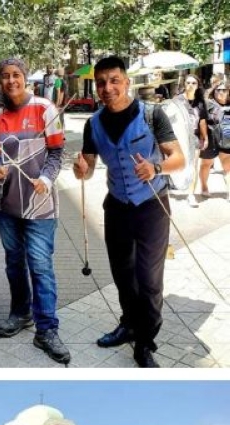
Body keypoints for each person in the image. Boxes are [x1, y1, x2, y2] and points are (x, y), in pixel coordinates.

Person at [73, 56, 185, 368]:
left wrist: (156, 167)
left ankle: (145, 341)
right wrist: (79, 168)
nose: (107, 88)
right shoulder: (92, 123)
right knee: (123, 276)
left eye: (114, 80)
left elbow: (179, 158)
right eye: (101, 82)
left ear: (126, 81)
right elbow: (88, 170)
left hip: (152, 206)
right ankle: (128, 325)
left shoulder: (151, 114)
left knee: (148, 280)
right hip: (117, 208)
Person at [0, 58, 70, 364]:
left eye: (16, 75)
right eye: (5, 76)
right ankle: (21, 313)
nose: (10, 81)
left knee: (40, 265)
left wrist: (46, 179)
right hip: (7, 204)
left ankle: (47, 328)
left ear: (25, 78)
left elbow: (57, 152)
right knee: (14, 262)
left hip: (40, 203)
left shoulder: (45, 108)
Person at [175, 75, 209, 206]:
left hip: (193, 138)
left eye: (193, 83)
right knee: (179, 165)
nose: (190, 85)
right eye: (188, 82)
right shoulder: (177, 100)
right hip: (178, 138)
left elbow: (202, 121)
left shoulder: (200, 102)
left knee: (193, 167)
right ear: (184, 84)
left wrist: (205, 137)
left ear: (197, 85)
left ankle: (191, 194)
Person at [200, 82, 230, 200]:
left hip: (226, 140)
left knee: (228, 167)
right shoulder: (208, 104)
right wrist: (204, 137)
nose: (221, 92)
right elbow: (202, 121)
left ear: (228, 92)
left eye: (223, 90)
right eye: (218, 90)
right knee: (206, 164)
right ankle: (204, 187)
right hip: (211, 139)